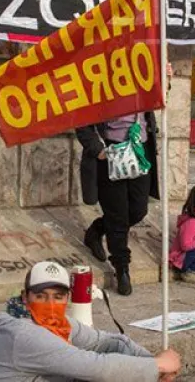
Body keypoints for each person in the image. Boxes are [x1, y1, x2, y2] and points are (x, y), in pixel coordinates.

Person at [0, 261, 182, 381]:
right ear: (25, 297)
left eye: (58, 297)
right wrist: (158, 365)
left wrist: (151, 363)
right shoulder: (22, 334)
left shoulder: (59, 323)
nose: (50, 304)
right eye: (40, 296)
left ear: (67, 298)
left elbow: (108, 342)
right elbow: (96, 368)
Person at [79, 107, 161, 296]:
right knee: (117, 214)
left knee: (139, 209)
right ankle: (122, 267)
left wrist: (167, 80)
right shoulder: (99, 82)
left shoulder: (144, 80)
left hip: (139, 149)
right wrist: (97, 149)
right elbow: (81, 119)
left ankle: (97, 229)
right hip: (112, 151)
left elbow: (159, 93)